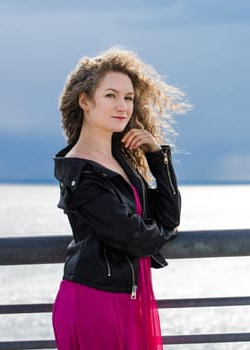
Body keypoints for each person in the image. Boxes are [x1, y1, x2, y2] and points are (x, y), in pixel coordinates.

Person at [51, 47, 190, 350]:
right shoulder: (80, 172)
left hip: (128, 300)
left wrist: (156, 157)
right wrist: (162, 234)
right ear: (85, 101)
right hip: (95, 304)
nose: (122, 106)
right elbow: (136, 239)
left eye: (128, 97)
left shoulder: (120, 162)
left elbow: (168, 217)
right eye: (111, 95)